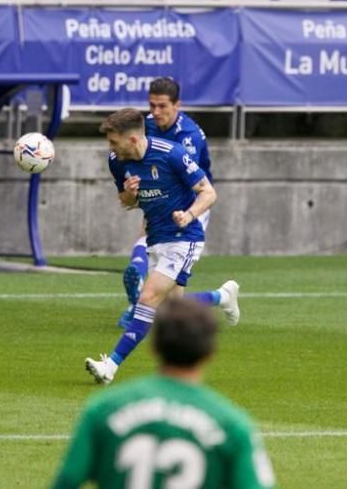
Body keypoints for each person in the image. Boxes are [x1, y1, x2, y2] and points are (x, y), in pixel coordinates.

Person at [86, 108, 239, 386]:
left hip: (184, 238)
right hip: (156, 239)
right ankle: (222, 296)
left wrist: (189, 215)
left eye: (113, 141)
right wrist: (129, 195)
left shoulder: (173, 154)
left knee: (147, 298)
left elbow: (209, 192)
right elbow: (126, 202)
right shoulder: (117, 161)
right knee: (172, 309)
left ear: (132, 140)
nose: (110, 147)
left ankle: (110, 365)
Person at [55, 298, 276, 488]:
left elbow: (66, 481)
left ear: (154, 347)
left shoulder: (103, 410)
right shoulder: (233, 425)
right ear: (210, 353)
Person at [118, 77, 214, 328]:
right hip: (161, 197)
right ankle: (139, 297)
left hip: (191, 204)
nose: (155, 112)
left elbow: (191, 184)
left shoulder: (188, 136)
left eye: (162, 106)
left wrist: (184, 214)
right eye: (151, 105)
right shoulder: (145, 126)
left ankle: (220, 297)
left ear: (177, 105)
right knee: (164, 295)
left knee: (171, 297)